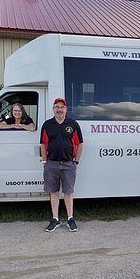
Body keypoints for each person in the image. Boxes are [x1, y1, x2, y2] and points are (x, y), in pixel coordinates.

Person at [40, 97, 83, 232]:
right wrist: (45, 161)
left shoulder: (73, 124)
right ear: (53, 109)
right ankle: (55, 219)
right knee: (53, 192)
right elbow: (43, 144)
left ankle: (70, 219)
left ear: (66, 109)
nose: (59, 109)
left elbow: (80, 144)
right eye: (57, 107)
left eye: (62, 107)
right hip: (51, 164)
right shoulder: (47, 125)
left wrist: (76, 161)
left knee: (68, 193)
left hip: (69, 164)